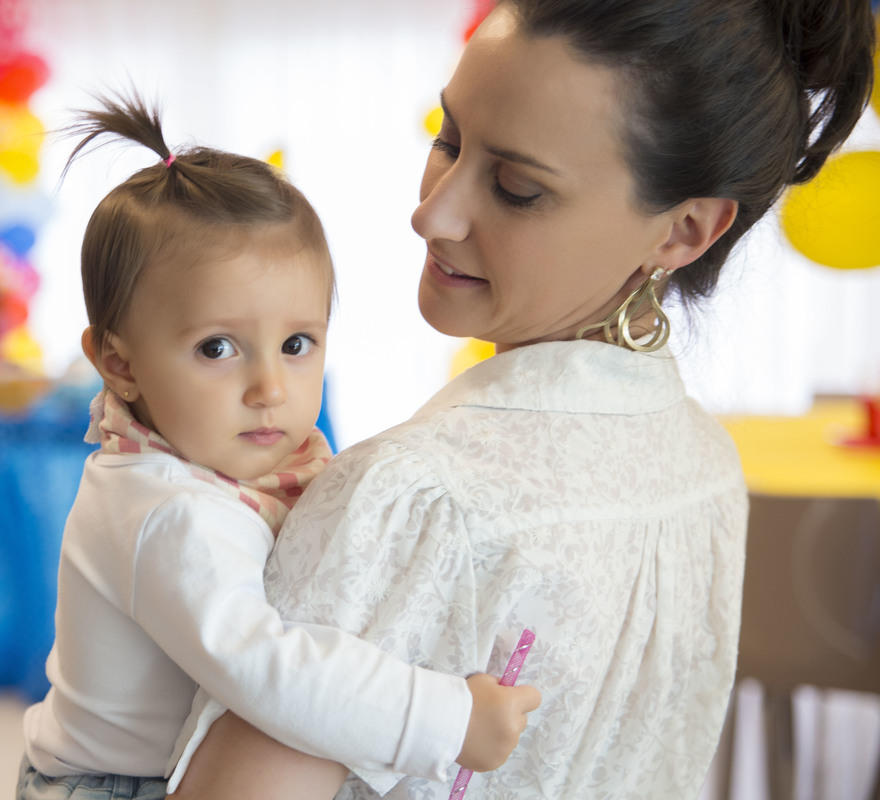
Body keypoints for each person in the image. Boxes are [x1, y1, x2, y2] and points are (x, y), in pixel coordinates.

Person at [168, 0, 877, 798]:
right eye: (448, 140)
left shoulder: (416, 494)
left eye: (516, 188)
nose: (431, 213)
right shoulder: (708, 466)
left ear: (683, 231)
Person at [17, 93, 541, 800]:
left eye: (297, 344)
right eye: (217, 348)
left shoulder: (236, 462)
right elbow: (270, 668)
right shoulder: (167, 511)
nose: (269, 388)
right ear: (120, 363)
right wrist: (444, 720)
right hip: (114, 785)